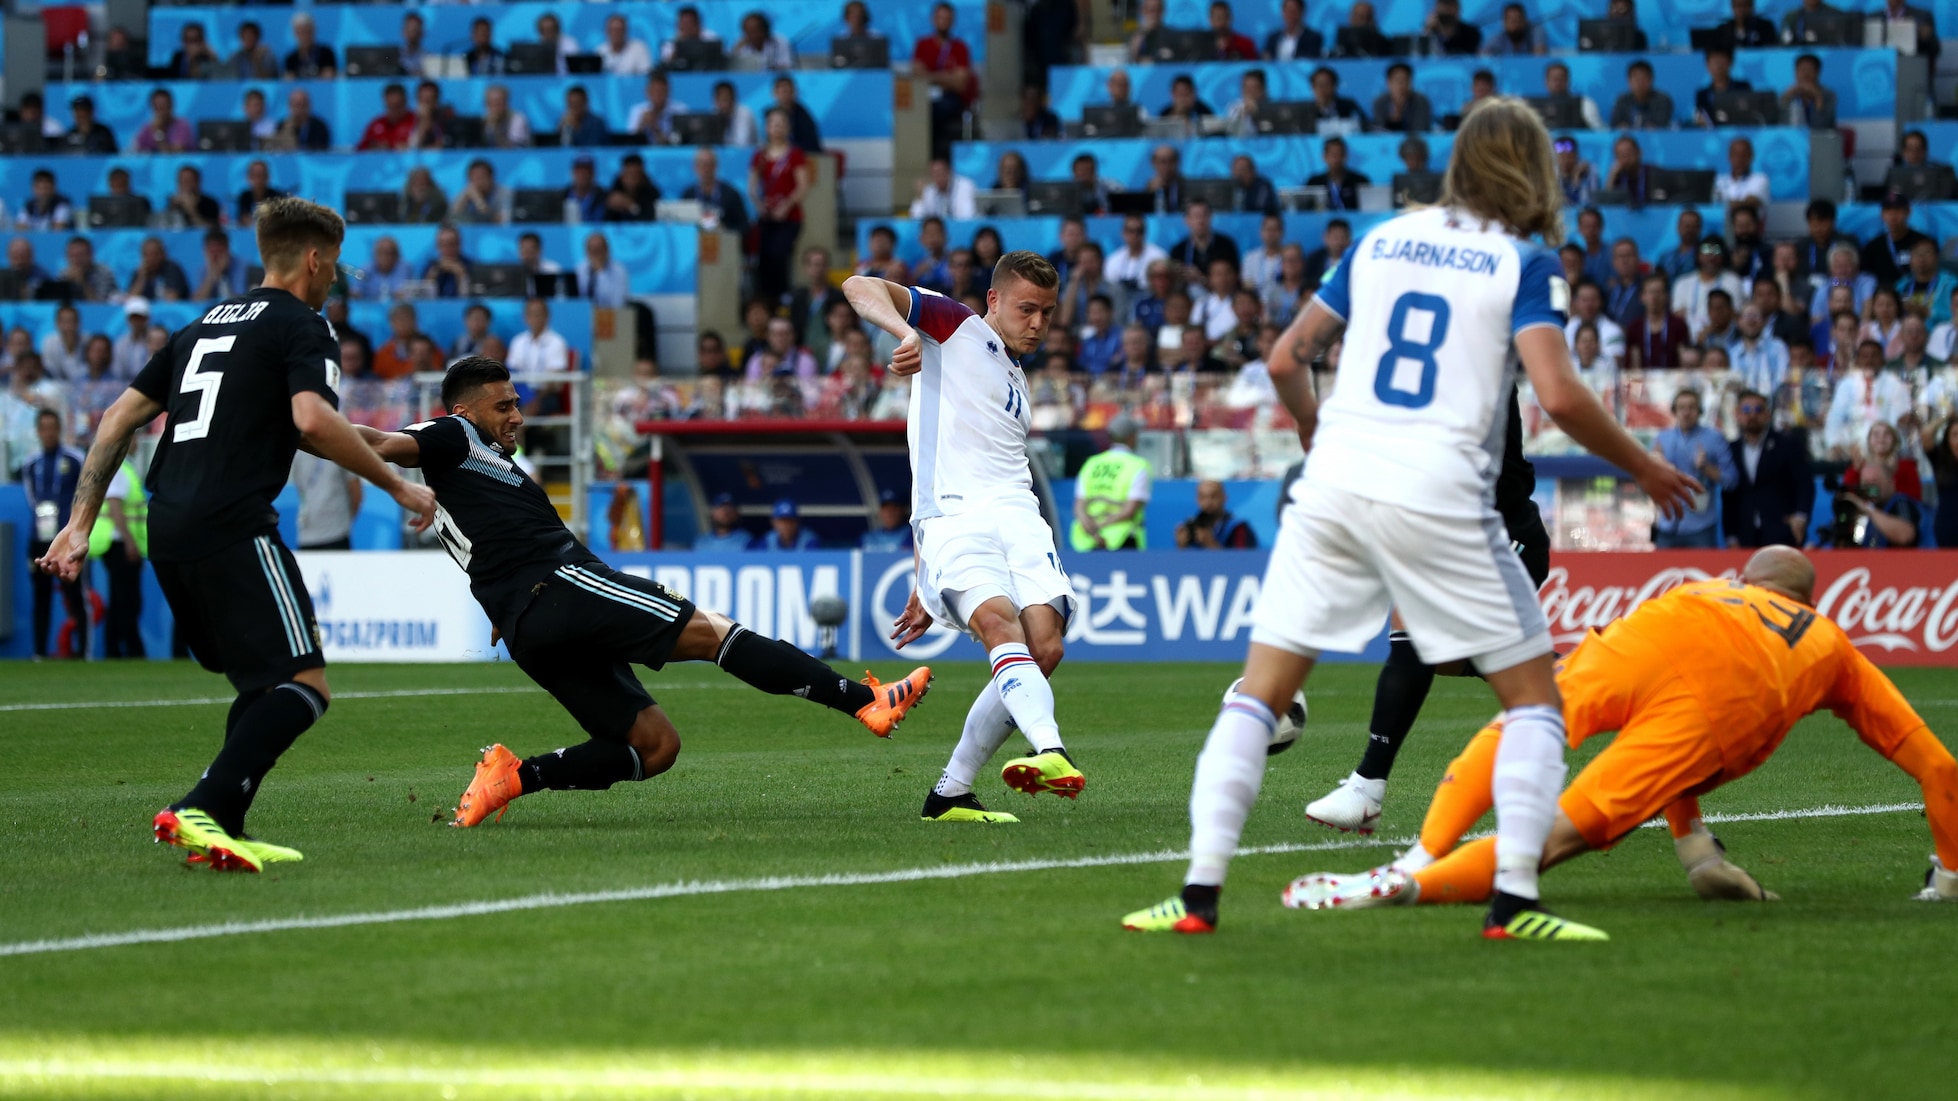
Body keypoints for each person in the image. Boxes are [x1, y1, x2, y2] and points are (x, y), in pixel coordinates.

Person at [1122, 97, 1697, 941]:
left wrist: (1314, 426)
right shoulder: (1524, 262)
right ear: (1536, 172)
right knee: (1536, 703)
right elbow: (1561, 393)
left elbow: (1284, 358)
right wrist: (1643, 465)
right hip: (1439, 492)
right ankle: (1514, 904)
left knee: (1261, 692)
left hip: (1334, 483)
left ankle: (1197, 895)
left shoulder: (1380, 240)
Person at [348, 358, 933, 826]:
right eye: (503, 406)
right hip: (562, 586)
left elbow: (486, 546)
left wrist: (503, 605)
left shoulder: (468, 475)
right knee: (714, 632)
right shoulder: (450, 434)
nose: (517, 416)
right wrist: (310, 426)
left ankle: (512, 778)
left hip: (527, 626)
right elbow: (379, 441)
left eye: (517, 403)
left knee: (654, 747)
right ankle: (863, 701)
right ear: (463, 411)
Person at [36, 198, 439, 872]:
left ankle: (221, 825)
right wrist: (399, 486)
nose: (335, 278)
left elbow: (114, 419)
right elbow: (313, 420)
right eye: (335, 264)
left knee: (260, 684)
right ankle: (200, 806)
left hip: (169, 524)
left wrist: (80, 526)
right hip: (233, 521)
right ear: (314, 259)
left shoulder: (199, 326)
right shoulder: (304, 324)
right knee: (305, 684)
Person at [1289, 549, 1958, 911]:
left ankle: (1421, 850)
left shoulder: (1704, 586)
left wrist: (1696, 847)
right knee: (1554, 837)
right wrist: (1951, 875)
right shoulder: (1833, 644)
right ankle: (1414, 887)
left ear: (1744, 579)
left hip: (1647, 636)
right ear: (1808, 601)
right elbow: (1940, 769)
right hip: (1723, 706)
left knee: (1524, 720)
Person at [844, 251, 1082, 824]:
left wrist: (923, 577)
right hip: (957, 518)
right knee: (999, 623)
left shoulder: (1017, 376)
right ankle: (1051, 750)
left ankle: (950, 792)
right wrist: (905, 332)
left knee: (1046, 646)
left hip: (1018, 513)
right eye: (1027, 309)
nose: (1038, 324)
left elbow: (942, 448)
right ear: (994, 299)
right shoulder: (954, 327)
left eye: (1048, 313)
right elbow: (858, 285)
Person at [20, 409, 88, 660]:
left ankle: (84, 652)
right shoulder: (31, 463)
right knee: (41, 595)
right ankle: (39, 652)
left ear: (59, 429)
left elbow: (85, 493)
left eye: (52, 427)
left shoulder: (75, 459)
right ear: (38, 431)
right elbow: (31, 497)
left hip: (66, 539)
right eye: (44, 428)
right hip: (39, 538)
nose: (48, 433)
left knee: (75, 593)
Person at [1724, 390, 1812, 547]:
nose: (1752, 415)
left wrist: (1801, 516)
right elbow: (1729, 496)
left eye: (1758, 409)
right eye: (1746, 410)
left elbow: (1804, 483)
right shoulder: (1731, 450)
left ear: (1768, 415)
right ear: (1737, 414)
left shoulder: (1787, 444)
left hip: (1782, 529)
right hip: (1745, 533)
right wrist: (1730, 535)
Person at [1652, 389, 1737, 549]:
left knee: (1703, 566)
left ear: (1699, 411)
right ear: (1674, 411)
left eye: (1691, 407)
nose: (1686, 413)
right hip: (1668, 524)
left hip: (1700, 526)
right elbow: (1648, 480)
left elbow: (1731, 480)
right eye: (1681, 408)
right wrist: (1656, 465)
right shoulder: (1662, 438)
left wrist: (1706, 468)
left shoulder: (1714, 438)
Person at [86, 446, 147, 659]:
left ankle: (116, 649)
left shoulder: (123, 467)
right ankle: (129, 649)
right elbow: (115, 507)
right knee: (126, 600)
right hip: (118, 542)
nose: (137, 441)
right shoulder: (120, 468)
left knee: (122, 598)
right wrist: (130, 542)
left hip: (119, 542)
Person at [750, 109, 813, 305]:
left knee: (779, 253)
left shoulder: (795, 155)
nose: (776, 127)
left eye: (781, 123)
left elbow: (803, 185)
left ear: (788, 127)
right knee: (762, 256)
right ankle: (764, 298)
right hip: (767, 216)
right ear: (767, 128)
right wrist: (759, 205)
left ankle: (783, 295)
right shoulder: (760, 156)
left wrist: (786, 206)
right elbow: (752, 187)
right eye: (772, 123)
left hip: (790, 217)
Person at [1070, 415, 1152, 551]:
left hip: (1088, 540)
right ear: (1131, 437)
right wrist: (1102, 526)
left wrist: (1092, 529)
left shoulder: (1092, 464)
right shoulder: (1137, 466)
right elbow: (1130, 510)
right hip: (1122, 540)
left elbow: (1079, 505)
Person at [290, 452, 361, 551]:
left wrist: (343, 523)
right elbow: (301, 491)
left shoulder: (340, 451)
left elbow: (356, 492)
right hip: (307, 535)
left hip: (337, 534)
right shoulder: (299, 455)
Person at [1842, 457, 1920, 548]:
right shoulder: (1863, 512)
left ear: (1891, 483)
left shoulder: (1901, 503)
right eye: (1866, 483)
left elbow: (1905, 536)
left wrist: (1869, 509)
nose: (1870, 488)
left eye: (1875, 481)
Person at [682, 147, 749, 238]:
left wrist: (726, 231)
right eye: (701, 164)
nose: (705, 169)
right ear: (695, 167)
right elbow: (681, 227)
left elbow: (744, 227)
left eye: (709, 164)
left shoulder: (731, 194)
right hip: (695, 242)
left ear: (716, 166)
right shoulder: (688, 195)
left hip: (723, 242)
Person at [1176, 480, 1257, 549]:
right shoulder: (1191, 526)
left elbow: (1243, 560)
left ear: (1224, 498)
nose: (1208, 502)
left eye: (1214, 496)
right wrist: (1181, 546)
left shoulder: (1238, 528)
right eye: (1203, 497)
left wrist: (1210, 544)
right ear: (1197, 500)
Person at [1306, 136, 1369, 212]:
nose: (1336, 159)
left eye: (1340, 154)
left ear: (1346, 156)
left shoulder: (1360, 181)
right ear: (1324, 157)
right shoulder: (1314, 182)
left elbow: (1369, 209)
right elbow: (1305, 210)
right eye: (1333, 155)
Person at [1610, 60, 1674, 129]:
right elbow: (1615, 125)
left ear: (1651, 79)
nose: (1640, 83)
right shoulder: (1622, 100)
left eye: (1643, 78)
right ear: (1629, 81)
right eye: (1636, 79)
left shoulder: (1663, 101)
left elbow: (1660, 126)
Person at [284, 13, 336, 79]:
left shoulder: (326, 53)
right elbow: (289, 80)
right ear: (295, 33)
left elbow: (328, 77)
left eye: (307, 31)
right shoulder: (291, 58)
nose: (304, 36)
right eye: (300, 32)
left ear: (313, 31)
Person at [754, 498, 819, 550]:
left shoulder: (809, 540)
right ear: (773, 522)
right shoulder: (767, 541)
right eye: (782, 521)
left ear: (797, 521)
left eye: (790, 521)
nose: (786, 526)